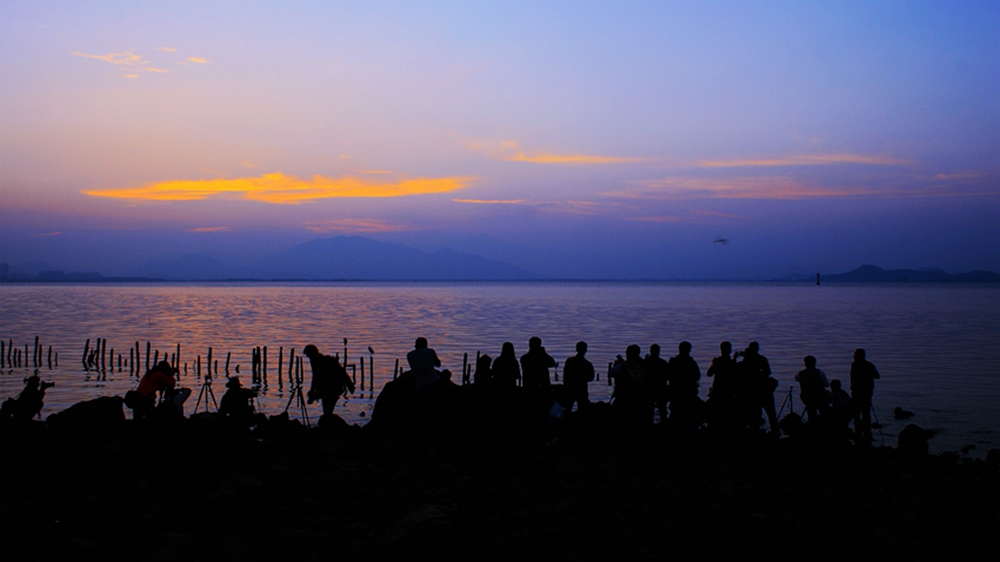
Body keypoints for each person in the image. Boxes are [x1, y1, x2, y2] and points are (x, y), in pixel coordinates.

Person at [736, 342, 778, 434]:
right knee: (770, 412)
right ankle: (774, 431)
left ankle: (754, 431)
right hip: (764, 390)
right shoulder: (762, 360)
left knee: (755, 413)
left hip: (753, 391)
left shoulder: (745, 363)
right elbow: (768, 372)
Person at [304, 344, 355, 418]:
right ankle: (328, 422)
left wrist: (349, 385)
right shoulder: (314, 361)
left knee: (328, 408)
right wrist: (312, 390)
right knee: (327, 409)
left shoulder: (328, 360)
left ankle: (329, 424)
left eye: (309, 355)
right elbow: (315, 378)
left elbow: (342, 372)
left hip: (334, 387)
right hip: (326, 387)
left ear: (314, 353)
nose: (309, 357)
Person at [667, 341, 702, 428]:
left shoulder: (673, 362)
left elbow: (667, 375)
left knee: (676, 416)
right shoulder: (691, 363)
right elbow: (697, 376)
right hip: (687, 394)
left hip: (676, 394)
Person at [611, 344, 647, 424]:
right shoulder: (642, 365)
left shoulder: (623, 365)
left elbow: (612, 373)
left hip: (625, 396)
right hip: (639, 396)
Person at [849, 348, 880, 443]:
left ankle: (859, 433)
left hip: (858, 393)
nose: (853, 357)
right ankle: (866, 433)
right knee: (865, 414)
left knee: (858, 414)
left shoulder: (855, 366)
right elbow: (877, 376)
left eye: (855, 355)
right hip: (866, 393)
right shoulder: (869, 365)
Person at [706, 341, 738, 429]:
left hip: (718, 391)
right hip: (728, 392)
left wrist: (715, 365)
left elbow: (709, 373)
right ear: (730, 350)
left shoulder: (718, 362)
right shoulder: (732, 363)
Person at [794, 355, 830, 422]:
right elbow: (827, 384)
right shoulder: (820, 373)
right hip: (820, 397)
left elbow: (797, 378)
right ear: (815, 363)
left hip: (807, 398)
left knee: (811, 414)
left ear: (805, 364)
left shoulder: (800, 374)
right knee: (824, 412)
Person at [562, 341, 595, 411]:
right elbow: (591, 377)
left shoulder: (569, 361)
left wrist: (566, 386)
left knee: (567, 408)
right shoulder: (587, 364)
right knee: (582, 409)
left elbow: (565, 376)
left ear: (576, 349)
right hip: (581, 389)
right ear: (586, 350)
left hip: (570, 389)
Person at [644, 344, 670, 424]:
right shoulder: (663, 363)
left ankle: (649, 427)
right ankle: (663, 426)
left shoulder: (645, 362)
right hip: (660, 389)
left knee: (650, 410)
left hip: (650, 389)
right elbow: (668, 376)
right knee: (662, 410)